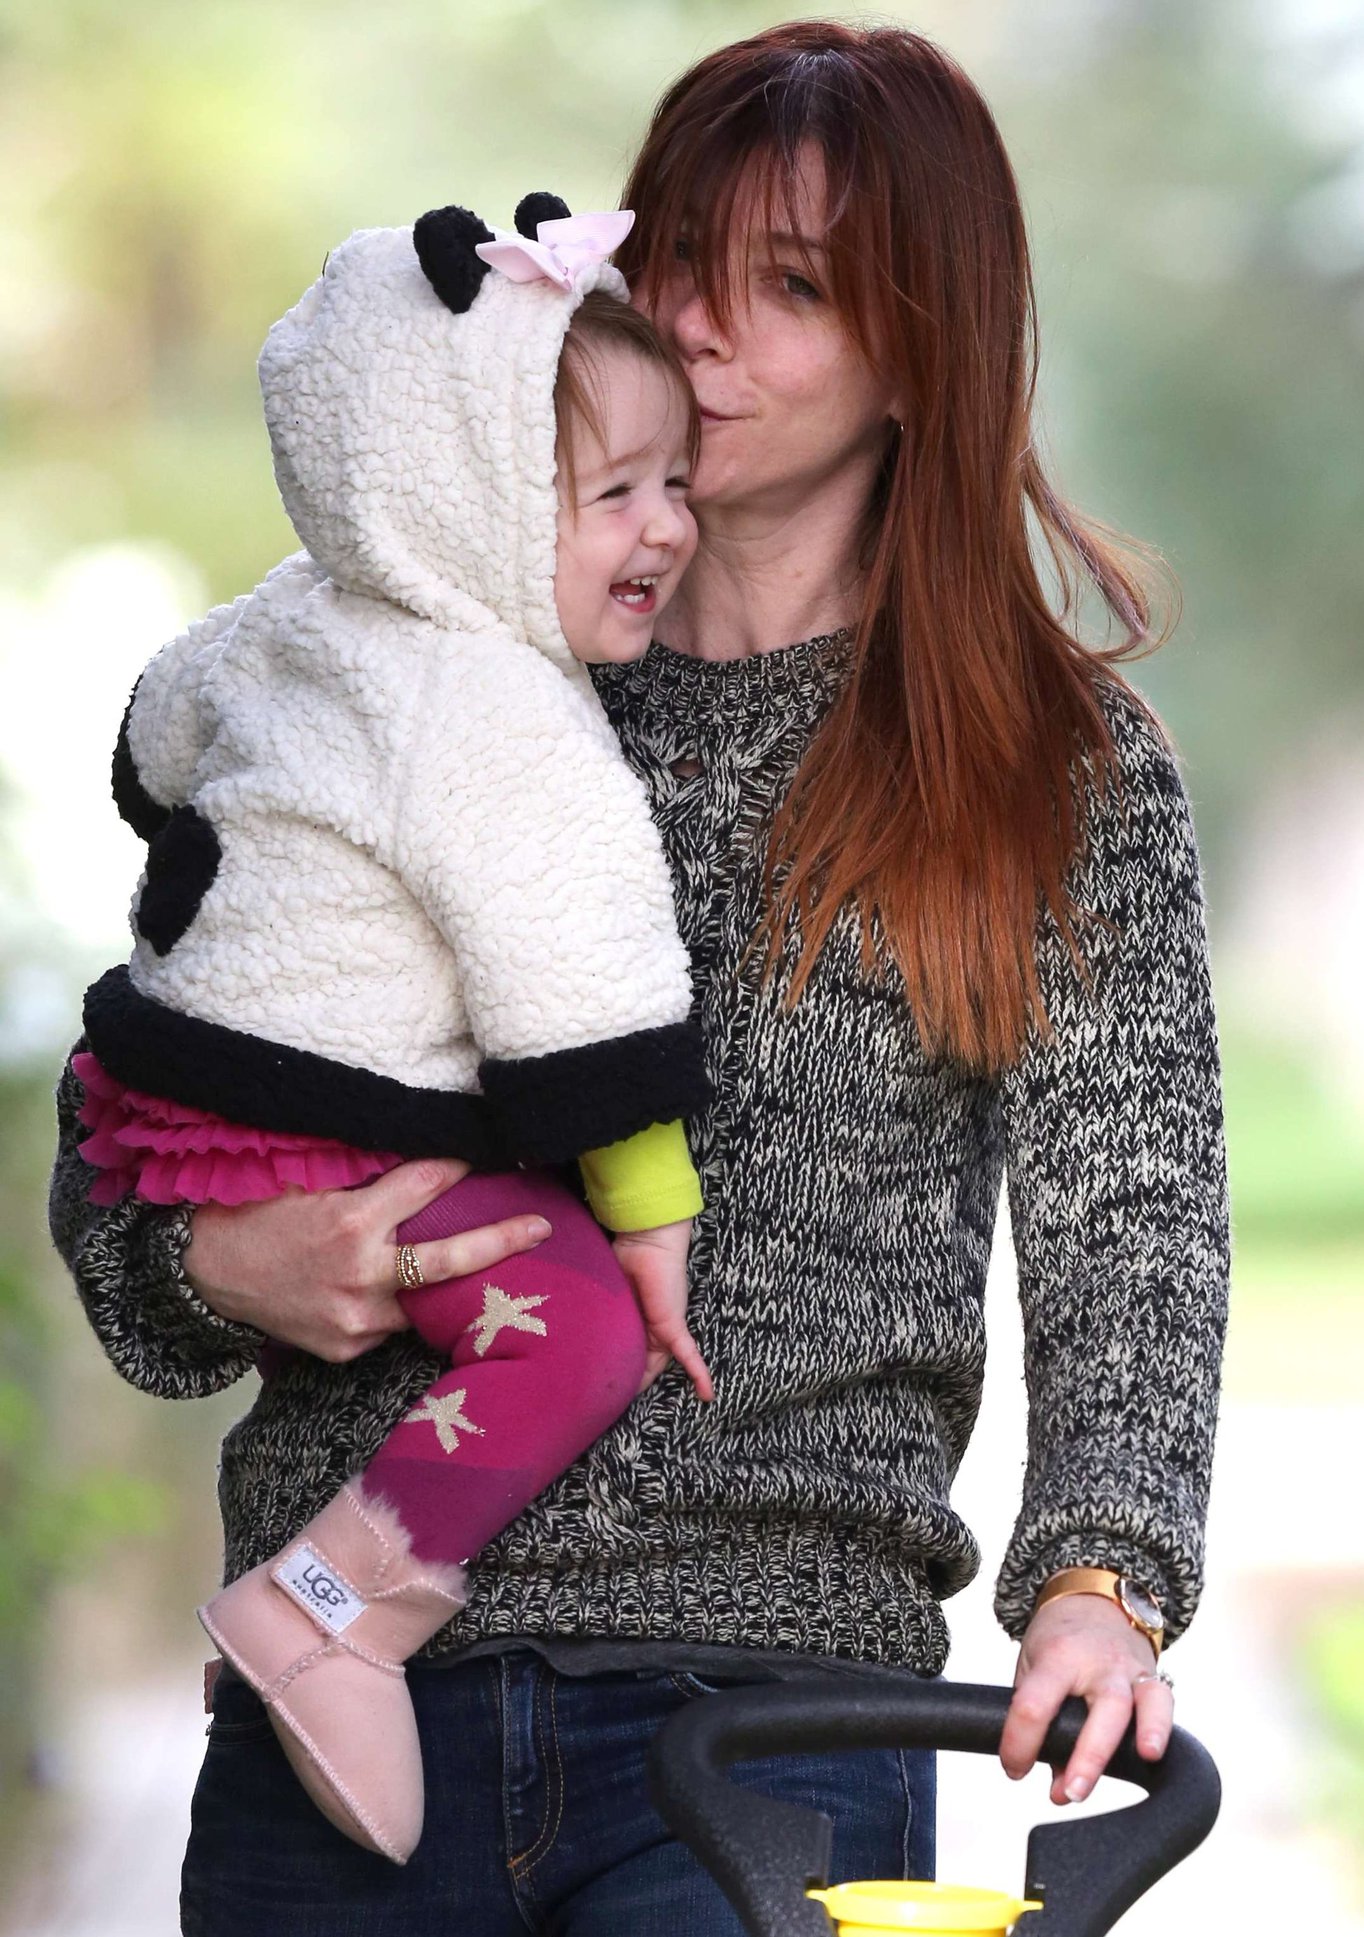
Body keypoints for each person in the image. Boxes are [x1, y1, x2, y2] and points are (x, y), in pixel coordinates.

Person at [47, 21, 1230, 1937]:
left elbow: (1138, 1225)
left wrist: (1099, 1578)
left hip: (767, 1738)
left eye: (789, 287)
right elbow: (151, 1105)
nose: (696, 326)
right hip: (343, 1722)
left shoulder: (1051, 769)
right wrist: (209, 1265)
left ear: (924, 339)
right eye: (673, 255)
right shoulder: (411, 661)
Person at [68, 195, 718, 1862]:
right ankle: (329, 1607)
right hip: (317, 1118)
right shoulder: (498, 705)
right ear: (466, 502)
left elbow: (160, 731)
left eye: (677, 481)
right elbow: (589, 989)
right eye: (612, 494)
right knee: (570, 1331)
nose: (668, 529)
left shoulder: (313, 604)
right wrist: (648, 1226)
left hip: (169, 1076)